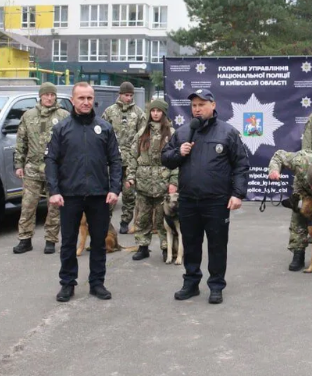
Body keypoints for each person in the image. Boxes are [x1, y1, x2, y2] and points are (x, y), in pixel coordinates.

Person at [161, 89, 248, 304]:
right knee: (191, 243)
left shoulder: (227, 132)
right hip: (189, 200)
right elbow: (166, 158)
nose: (197, 109)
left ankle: (216, 285)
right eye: (194, 105)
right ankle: (191, 283)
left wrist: (237, 194)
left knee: (217, 245)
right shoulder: (182, 133)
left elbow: (241, 165)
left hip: (216, 201)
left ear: (213, 105)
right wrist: (178, 152)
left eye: (202, 104)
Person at [46, 82, 122, 302]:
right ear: (72, 100)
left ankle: (97, 283)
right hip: (69, 195)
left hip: (99, 194)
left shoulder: (104, 128)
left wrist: (114, 188)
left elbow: (115, 160)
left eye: (89, 98)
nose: (86, 102)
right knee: (68, 242)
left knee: (98, 242)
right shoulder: (61, 128)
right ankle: (67, 284)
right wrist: (54, 190)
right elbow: (51, 160)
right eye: (81, 98)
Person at [13, 82, 70, 255]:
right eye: (46, 95)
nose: (49, 98)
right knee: (28, 205)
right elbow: (21, 141)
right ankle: (25, 239)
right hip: (32, 168)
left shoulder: (64, 115)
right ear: (40, 96)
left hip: (56, 170)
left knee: (54, 207)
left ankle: (51, 240)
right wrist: (19, 164)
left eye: (52, 95)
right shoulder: (28, 116)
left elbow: (70, 142)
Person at [127, 99, 177, 261]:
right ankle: (143, 247)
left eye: (159, 111)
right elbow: (133, 156)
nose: (155, 114)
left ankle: (166, 248)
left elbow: (176, 160)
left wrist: (173, 182)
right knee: (142, 217)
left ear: (163, 113)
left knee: (163, 218)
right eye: (153, 111)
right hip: (143, 183)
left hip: (163, 184)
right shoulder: (142, 133)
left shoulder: (171, 133)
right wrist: (131, 176)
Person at [102, 82, 145, 234]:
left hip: (131, 162)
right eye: (126, 95)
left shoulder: (138, 113)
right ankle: (105, 222)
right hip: (113, 161)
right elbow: (102, 135)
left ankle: (125, 221)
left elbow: (143, 136)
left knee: (128, 195)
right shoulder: (109, 112)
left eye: (130, 95)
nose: (128, 98)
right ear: (119, 94)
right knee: (110, 193)